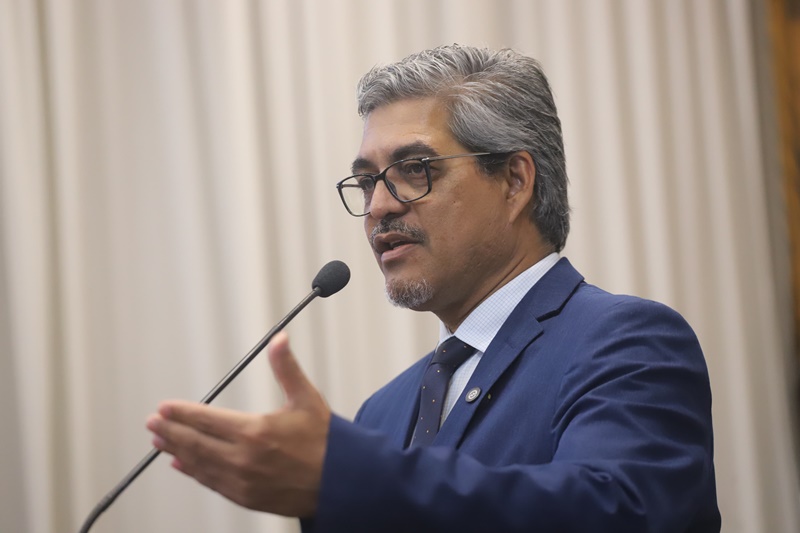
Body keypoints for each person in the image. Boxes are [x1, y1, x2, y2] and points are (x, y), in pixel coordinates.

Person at [147, 44, 721, 532]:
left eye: (415, 169)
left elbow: (614, 514)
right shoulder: (380, 414)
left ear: (514, 181)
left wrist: (347, 474)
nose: (378, 205)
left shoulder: (627, 342)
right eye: (367, 181)